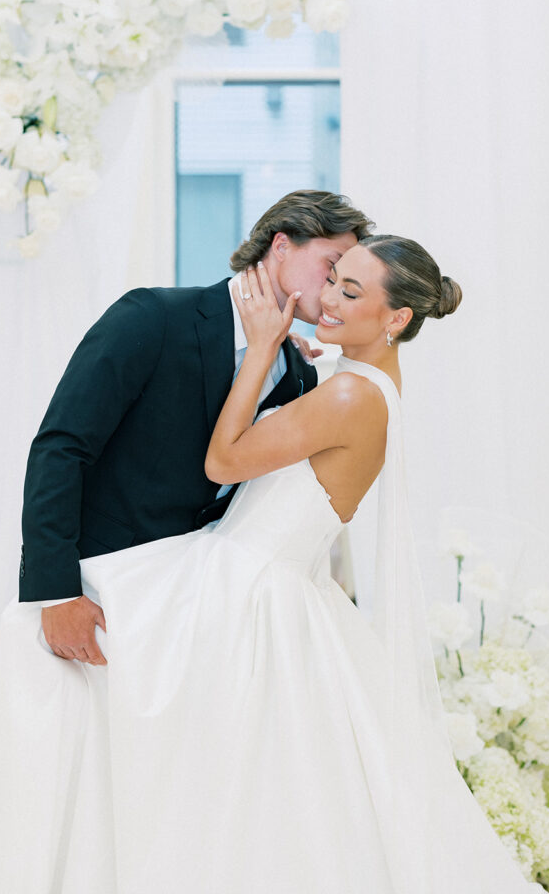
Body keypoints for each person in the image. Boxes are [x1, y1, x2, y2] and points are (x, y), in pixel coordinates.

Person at [0, 232, 546, 893]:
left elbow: (224, 462)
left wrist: (258, 354)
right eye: (333, 277)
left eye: (350, 289)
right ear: (279, 249)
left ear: (396, 318)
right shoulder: (346, 382)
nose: (329, 300)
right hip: (248, 581)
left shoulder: (342, 395)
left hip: (242, 592)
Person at [19, 189, 372, 663]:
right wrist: (57, 594)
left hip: (189, 609)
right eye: (330, 267)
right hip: (97, 586)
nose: (332, 291)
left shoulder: (299, 372)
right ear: (282, 246)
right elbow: (60, 448)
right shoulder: (153, 317)